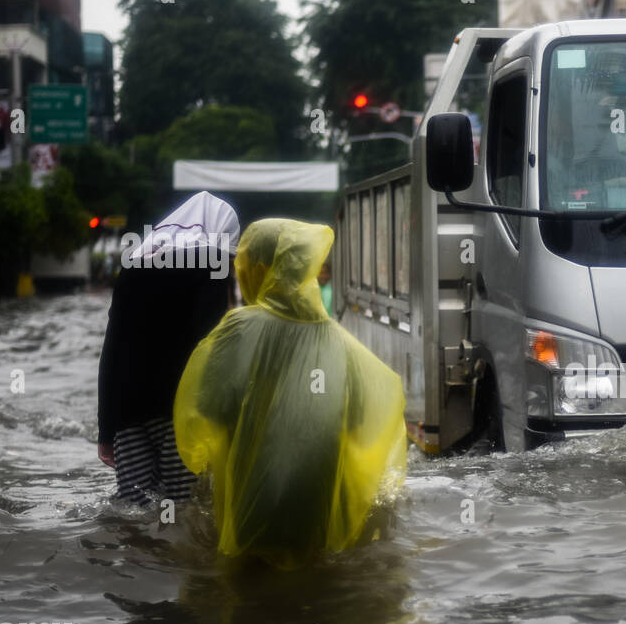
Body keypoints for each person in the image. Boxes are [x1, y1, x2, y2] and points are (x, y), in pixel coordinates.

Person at [173, 218, 406, 568]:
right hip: (321, 514)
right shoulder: (344, 347)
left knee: (243, 601)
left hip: (250, 513)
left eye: (246, 267)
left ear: (263, 269)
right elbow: (366, 424)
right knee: (323, 591)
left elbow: (205, 412)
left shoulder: (237, 330)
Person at [97, 191, 238, 505]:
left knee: (134, 510)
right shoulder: (210, 272)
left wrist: (106, 430)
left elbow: (112, 352)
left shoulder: (132, 270)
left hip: (127, 412)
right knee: (179, 511)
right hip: (180, 413)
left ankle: (135, 555)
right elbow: (210, 350)